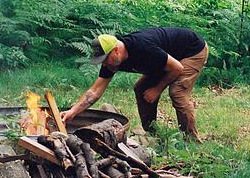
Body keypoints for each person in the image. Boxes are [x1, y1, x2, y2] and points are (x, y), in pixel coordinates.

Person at [62, 28, 209, 140]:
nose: (104, 64)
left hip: (192, 50)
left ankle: (191, 140)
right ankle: (152, 134)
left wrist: (157, 89)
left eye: (105, 59)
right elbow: (94, 92)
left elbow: (177, 68)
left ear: (116, 50)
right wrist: (72, 112)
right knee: (141, 88)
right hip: (165, 60)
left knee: (177, 92)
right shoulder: (111, 62)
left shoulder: (143, 47)